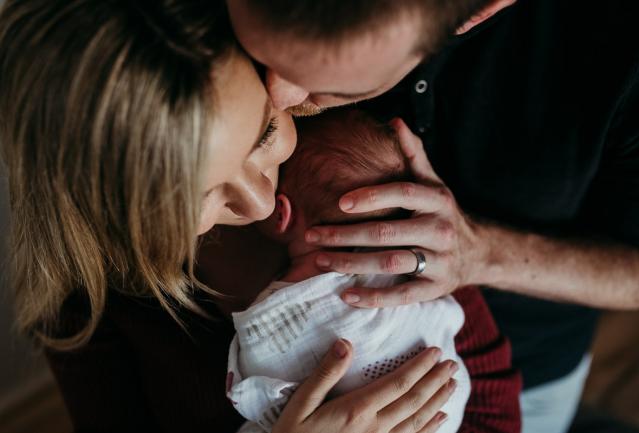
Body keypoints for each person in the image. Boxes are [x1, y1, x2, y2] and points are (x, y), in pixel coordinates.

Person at [0, 1, 462, 432]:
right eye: (196, 197)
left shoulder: (345, 161)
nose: (261, 202)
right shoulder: (89, 305)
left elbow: (493, 393)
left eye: (264, 134)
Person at [225, 1, 639, 432]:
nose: (276, 97)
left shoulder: (629, 42)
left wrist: (480, 254)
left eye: (331, 86)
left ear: (474, 15)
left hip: (531, 370)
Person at [228, 108, 471, 433]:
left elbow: (258, 377)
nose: (258, 200)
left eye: (268, 132)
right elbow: (446, 318)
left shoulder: (426, 257)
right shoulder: (405, 270)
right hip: (448, 408)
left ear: (281, 214)